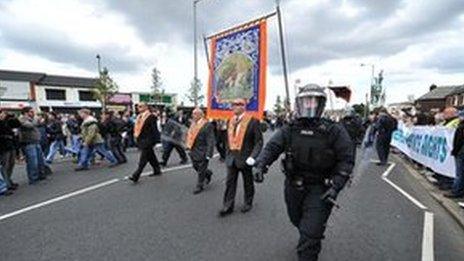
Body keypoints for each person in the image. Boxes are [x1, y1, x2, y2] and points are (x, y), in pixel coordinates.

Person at [253, 84, 354, 261]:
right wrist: (261, 164)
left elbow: (346, 159)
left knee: (310, 234)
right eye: (306, 101)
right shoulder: (290, 129)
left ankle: (309, 243)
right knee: (296, 220)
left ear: (321, 104)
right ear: (300, 104)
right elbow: (273, 147)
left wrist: (337, 185)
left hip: (321, 188)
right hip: (294, 185)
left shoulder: (333, 130)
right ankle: (307, 232)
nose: (310, 106)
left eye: (314, 102)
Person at [219, 98, 263, 217]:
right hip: (232, 157)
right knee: (229, 182)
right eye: (233, 104)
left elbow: (258, 142)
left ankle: (248, 202)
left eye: (238, 104)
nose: (234, 106)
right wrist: (227, 152)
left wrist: (253, 157)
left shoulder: (253, 121)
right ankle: (227, 206)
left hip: (246, 157)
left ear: (244, 106)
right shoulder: (230, 121)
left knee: (247, 182)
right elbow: (227, 139)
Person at [128, 103, 162, 183]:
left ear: (146, 107)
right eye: (138, 107)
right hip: (142, 140)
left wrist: (156, 140)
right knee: (151, 156)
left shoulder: (151, 117)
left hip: (148, 140)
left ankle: (136, 175)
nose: (138, 108)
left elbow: (154, 130)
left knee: (143, 158)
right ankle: (157, 170)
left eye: (140, 106)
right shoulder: (139, 117)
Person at [186, 108, 215, 194]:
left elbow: (210, 139)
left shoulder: (207, 125)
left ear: (201, 115)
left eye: (195, 114)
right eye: (193, 114)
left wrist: (209, 153)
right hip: (193, 149)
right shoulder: (193, 124)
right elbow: (190, 135)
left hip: (203, 150)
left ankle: (199, 185)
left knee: (201, 168)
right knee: (195, 166)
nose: (193, 115)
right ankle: (208, 173)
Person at [18, 107, 50, 184]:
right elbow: (30, 125)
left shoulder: (32, 119)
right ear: (26, 113)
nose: (33, 113)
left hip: (36, 142)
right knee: (32, 162)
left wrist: (39, 120)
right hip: (29, 143)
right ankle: (33, 178)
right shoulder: (22, 119)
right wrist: (38, 120)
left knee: (40, 160)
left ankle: (40, 176)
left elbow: (40, 123)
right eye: (31, 112)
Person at [0, 109, 21, 191]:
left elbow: (17, 124)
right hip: (3, 147)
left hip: (11, 145)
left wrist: (12, 117)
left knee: (11, 164)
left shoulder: (7, 122)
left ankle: (8, 180)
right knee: (5, 165)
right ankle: (6, 184)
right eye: (2, 113)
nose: (3, 115)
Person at [445, 110, 464, 198]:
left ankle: (456, 191)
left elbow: (458, 141)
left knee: (459, 173)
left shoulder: (461, 127)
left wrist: (455, 151)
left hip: (460, 152)